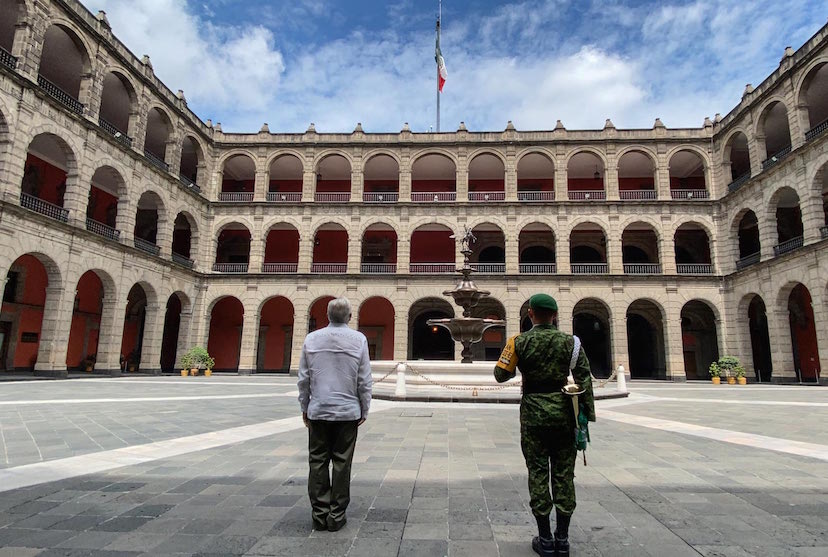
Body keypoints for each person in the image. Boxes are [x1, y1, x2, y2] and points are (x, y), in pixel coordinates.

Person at [493, 294, 595, 557]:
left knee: (538, 473)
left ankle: (545, 538)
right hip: (564, 415)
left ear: (530, 314)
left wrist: (514, 355)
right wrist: (585, 417)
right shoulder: (571, 343)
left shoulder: (519, 341)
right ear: (555, 315)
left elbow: (500, 375)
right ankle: (563, 539)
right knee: (563, 475)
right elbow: (584, 378)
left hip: (533, 414)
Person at [297, 297, 372, 532]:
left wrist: (304, 407)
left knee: (317, 462)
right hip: (347, 412)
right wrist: (365, 407)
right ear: (350, 317)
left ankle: (319, 516)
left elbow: (304, 379)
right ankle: (336, 516)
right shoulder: (359, 339)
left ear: (327, 316)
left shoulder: (311, 338)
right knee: (342, 463)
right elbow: (364, 380)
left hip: (318, 410)